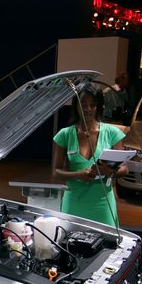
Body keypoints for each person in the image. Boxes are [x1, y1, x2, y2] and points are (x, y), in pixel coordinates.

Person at [52, 88, 128, 227]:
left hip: (102, 203)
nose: (88, 109)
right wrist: (77, 174)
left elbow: (125, 169)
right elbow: (56, 172)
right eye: (83, 104)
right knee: (70, 242)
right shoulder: (65, 134)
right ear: (76, 105)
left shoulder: (112, 133)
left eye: (93, 104)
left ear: (99, 106)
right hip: (74, 201)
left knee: (106, 245)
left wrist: (109, 171)